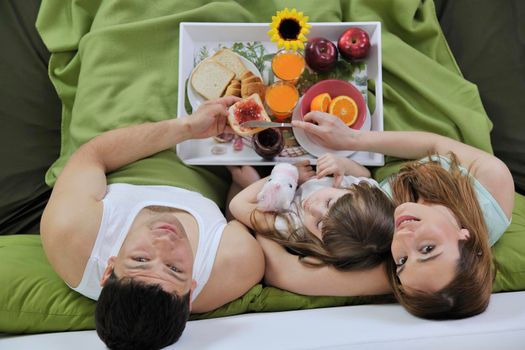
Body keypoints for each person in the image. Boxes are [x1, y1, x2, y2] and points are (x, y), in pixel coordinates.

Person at [40, 96, 265, 350]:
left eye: (140, 260)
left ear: (107, 270)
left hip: (127, 127)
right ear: (190, 293)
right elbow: (238, 211)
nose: (163, 242)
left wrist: (188, 127)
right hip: (217, 150)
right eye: (174, 268)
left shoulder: (69, 233)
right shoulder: (234, 267)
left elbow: (94, 155)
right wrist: (242, 178)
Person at [291, 111, 514, 319]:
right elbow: (435, 145)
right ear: (465, 237)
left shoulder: (411, 274)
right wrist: (352, 139)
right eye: (428, 248)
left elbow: (290, 275)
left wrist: (255, 210)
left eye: (402, 260)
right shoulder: (492, 182)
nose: (404, 238)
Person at [229, 153, 395, 297]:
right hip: (293, 169)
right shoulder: (363, 198)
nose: (313, 208)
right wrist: (343, 164)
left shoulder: (290, 225)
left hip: (263, 194)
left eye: (320, 224)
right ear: (353, 190)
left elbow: (237, 205)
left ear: (324, 245)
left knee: (237, 169)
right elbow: (365, 173)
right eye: (329, 203)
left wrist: (287, 176)